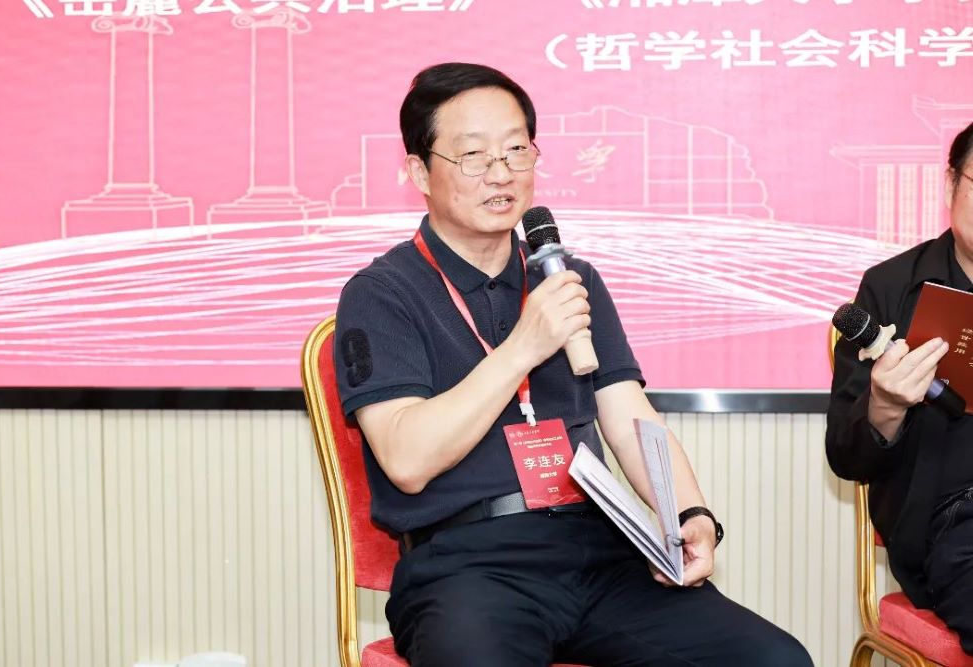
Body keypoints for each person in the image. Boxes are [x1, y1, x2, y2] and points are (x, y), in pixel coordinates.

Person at [335, 62, 812, 667]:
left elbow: (629, 415)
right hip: (468, 565)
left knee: (774, 660)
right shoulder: (383, 293)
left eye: (517, 150)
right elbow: (406, 461)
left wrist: (689, 511)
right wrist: (524, 347)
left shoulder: (568, 277)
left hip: (601, 549)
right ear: (419, 171)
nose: (502, 173)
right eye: (474, 156)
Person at [827, 121, 973, 653]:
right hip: (952, 525)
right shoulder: (890, 288)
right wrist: (885, 404)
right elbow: (845, 457)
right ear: (951, 185)